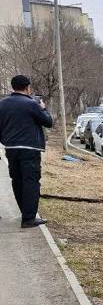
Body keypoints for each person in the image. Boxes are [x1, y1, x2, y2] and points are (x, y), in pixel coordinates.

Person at [0, 75, 53, 227]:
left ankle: (25, 212)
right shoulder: (31, 104)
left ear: (13, 87)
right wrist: (44, 108)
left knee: (17, 180)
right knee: (30, 181)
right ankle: (29, 218)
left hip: (11, 148)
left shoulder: (2, 104)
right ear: (27, 87)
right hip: (30, 149)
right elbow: (48, 122)